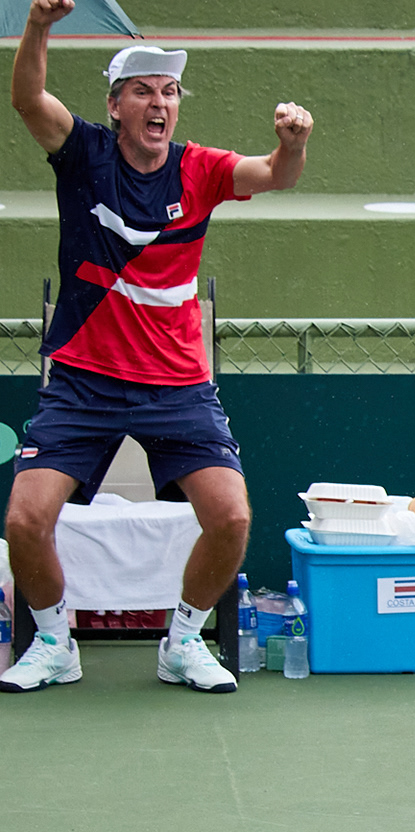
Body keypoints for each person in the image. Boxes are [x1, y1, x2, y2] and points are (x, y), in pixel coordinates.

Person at [5, 1, 314, 694]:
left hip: (176, 385)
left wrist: (292, 143)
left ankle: (182, 642)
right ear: (115, 105)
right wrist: (39, 26)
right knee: (25, 518)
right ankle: (55, 642)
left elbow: (276, 174)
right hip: (84, 378)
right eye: (143, 89)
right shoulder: (83, 156)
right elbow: (27, 97)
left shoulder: (200, 170)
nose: (159, 101)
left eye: (169, 91)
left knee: (231, 516)